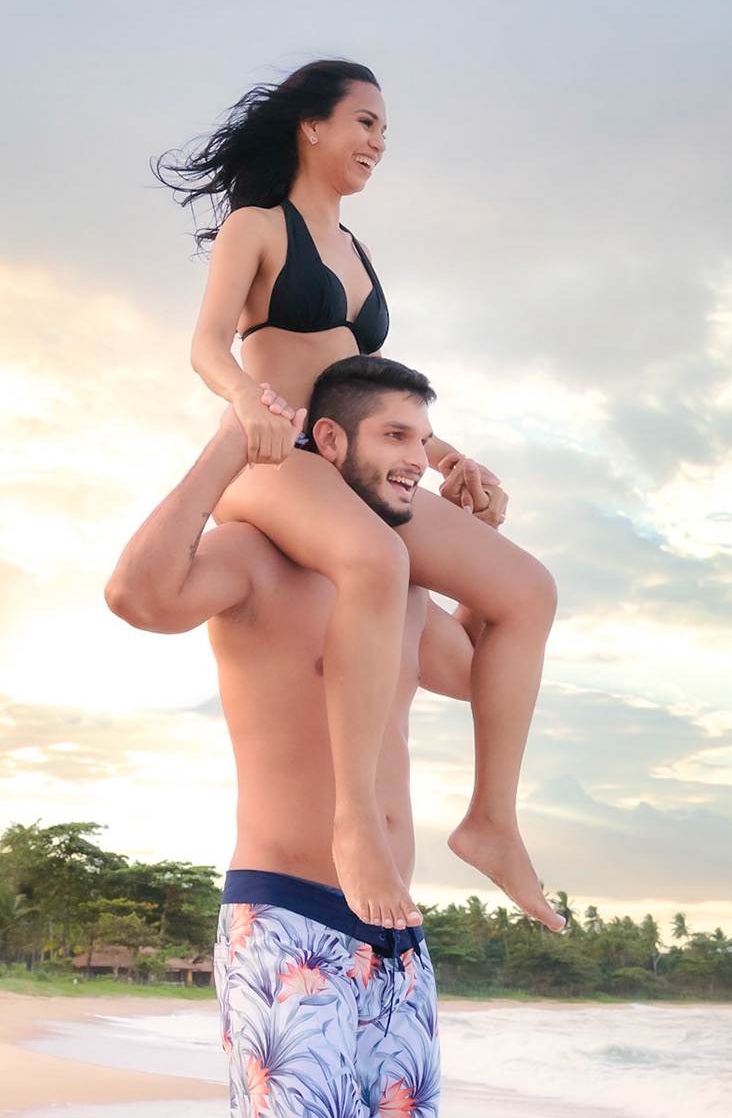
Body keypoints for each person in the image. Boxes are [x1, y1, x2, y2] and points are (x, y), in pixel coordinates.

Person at [154, 60, 563, 932]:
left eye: (385, 130)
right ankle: (353, 826)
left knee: (528, 590)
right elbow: (205, 343)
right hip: (274, 458)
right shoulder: (259, 227)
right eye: (365, 123)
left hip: (349, 455)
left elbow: (359, 383)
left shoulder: (359, 251)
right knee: (378, 557)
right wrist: (243, 404)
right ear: (312, 125)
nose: (379, 143)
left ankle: (492, 822)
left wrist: (444, 455)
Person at [105, 355, 496, 1117]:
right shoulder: (256, 555)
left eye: (424, 439)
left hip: (397, 938)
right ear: (332, 441)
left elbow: (476, 672)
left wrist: (474, 548)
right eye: (395, 436)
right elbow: (136, 596)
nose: (418, 459)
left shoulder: (401, 587)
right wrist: (228, 449)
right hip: (290, 917)